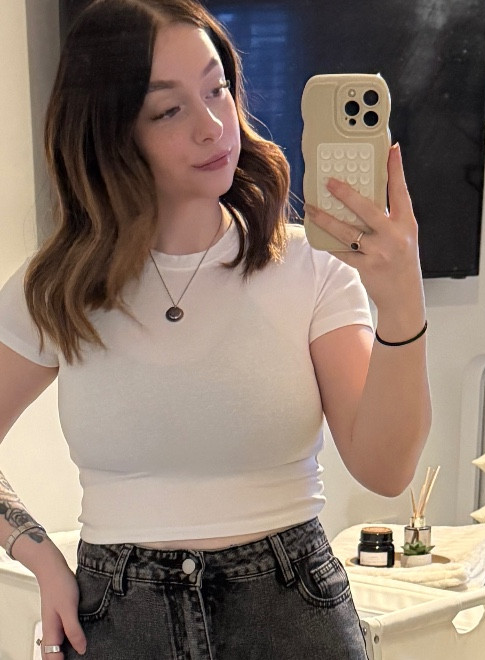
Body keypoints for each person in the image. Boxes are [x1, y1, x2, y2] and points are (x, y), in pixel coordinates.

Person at [0, 0, 431, 657]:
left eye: (217, 89)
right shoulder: (58, 290)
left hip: (290, 614)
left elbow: (387, 468)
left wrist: (402, 304)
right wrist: (40, 556)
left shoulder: (311, 269)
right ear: (108, 133)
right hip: (118, 620)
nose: (213, 126)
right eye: (168, 110)